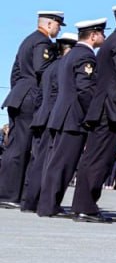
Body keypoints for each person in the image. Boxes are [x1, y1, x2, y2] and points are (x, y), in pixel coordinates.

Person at [72, 4, 116, 222]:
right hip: (110, 108)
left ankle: (83, 204)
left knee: (93, 157)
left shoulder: (112, 41)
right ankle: (87, 206)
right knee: (100, 159)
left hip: (102, 107)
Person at [38, 18, 107, 217]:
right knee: (63, 164)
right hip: (73, 118)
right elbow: (85, 89)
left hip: (62, 115)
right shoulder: (86, 57)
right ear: (93, 35)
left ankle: (49, 204)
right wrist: (92, 116)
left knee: (56, 162)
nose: (103, 37)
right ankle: (49, 206)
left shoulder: (71, 54)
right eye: (101, 33)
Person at [0, 10, 64, 208]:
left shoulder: (28, 40)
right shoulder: (42, 42)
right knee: (21, 148)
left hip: (20, 95)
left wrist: (19, 91)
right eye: (58, 25)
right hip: (29, 97)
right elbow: (43, 70)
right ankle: (9, 195)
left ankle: (10, 193)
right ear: (50, 24)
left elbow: (15, 72)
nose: (59, 29)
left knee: (17, 146)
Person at [18, 32, 76, 212]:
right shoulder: (64, 68)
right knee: (48, 162)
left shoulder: (51, 66)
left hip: (40, 117)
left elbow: (41, 95)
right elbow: (58, 95)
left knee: (38, 161)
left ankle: (30, 201)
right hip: (52, 119)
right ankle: (41, 202)